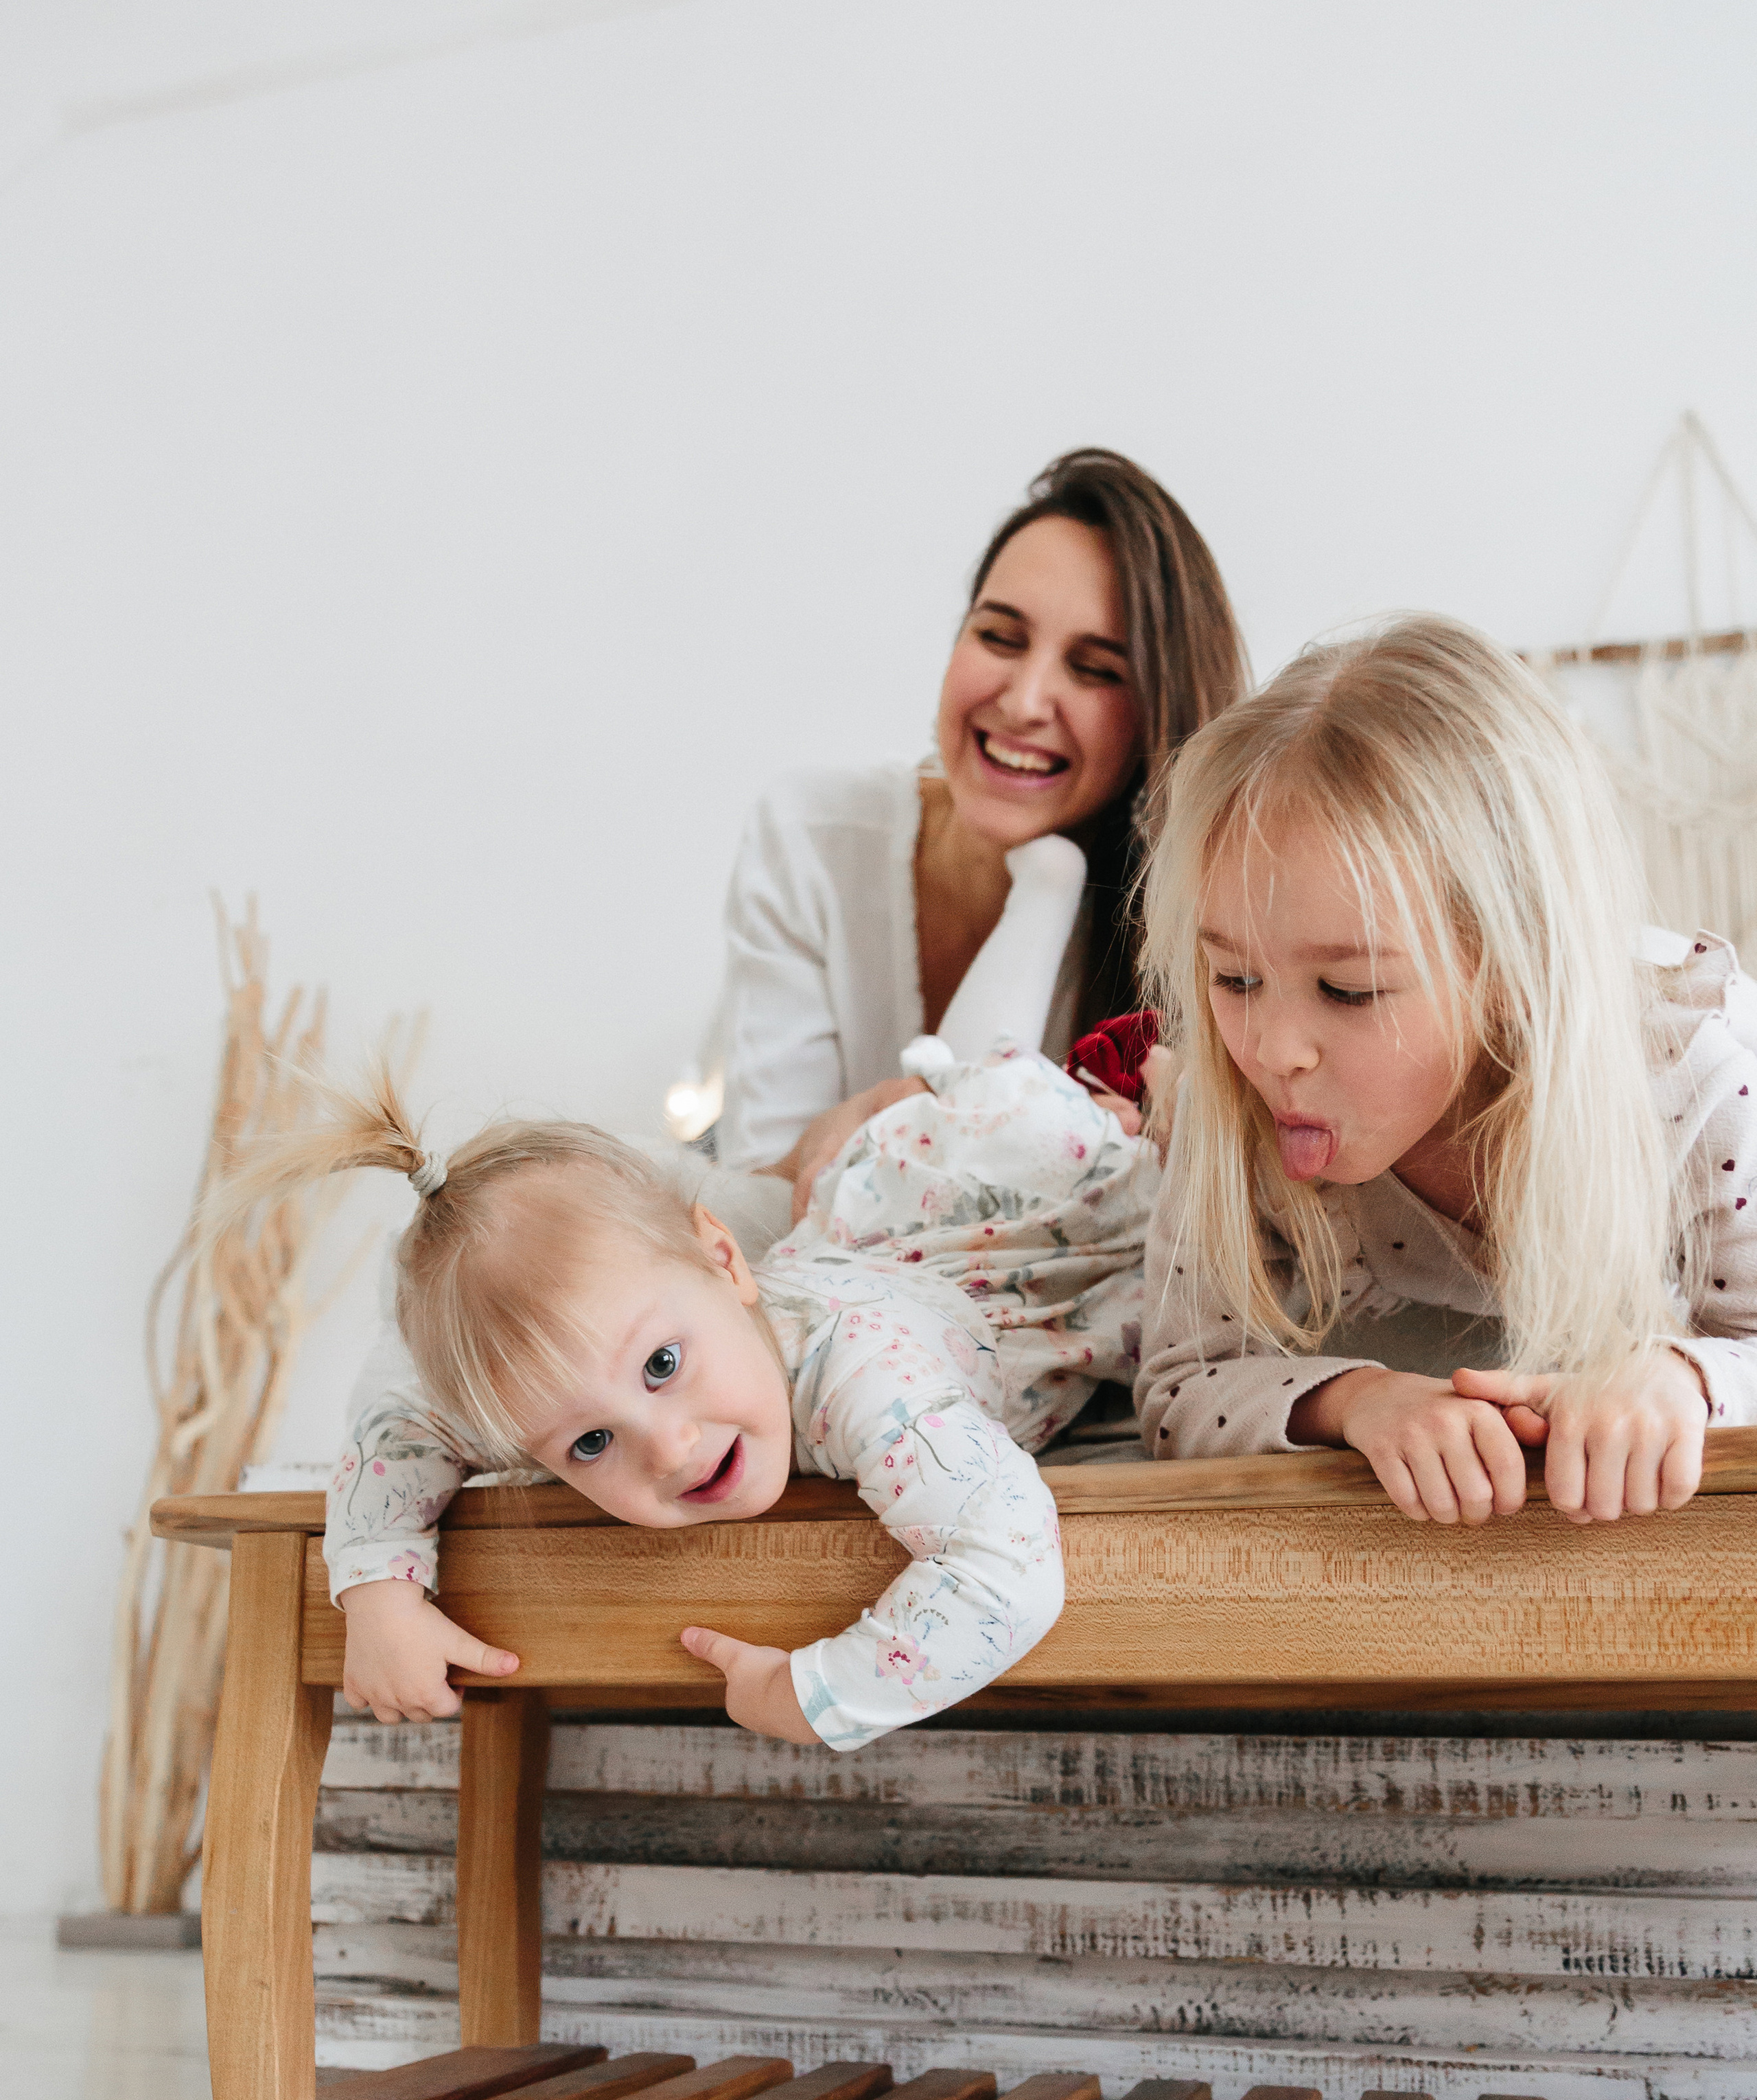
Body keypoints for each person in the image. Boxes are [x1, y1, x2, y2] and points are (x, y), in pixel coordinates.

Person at [235, 1041, 1157, 1749]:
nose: (669, 1449)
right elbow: (406, 1418)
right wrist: (378, 1590)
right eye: (589, 1445)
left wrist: (819, 1693)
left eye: (663, 1366)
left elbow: (1009, 1562)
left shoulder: (873, 1380)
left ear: (725, 1258)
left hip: (1028, 1221)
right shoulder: (579, 1367)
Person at [1133, 613, 1757, 1525]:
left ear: (1511, 972)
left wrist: (1678, 1375)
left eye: (1347, 990)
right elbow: (1180, 1383)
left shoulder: (1690, 1073)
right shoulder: (1237, 1087)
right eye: (1234, 975)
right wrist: (1359, 1401)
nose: (1274, 1048)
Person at [712, 448, 1247, 1205]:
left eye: (1095, 669)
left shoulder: (1189, 920)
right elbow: (750, 1202)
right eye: (999, 636)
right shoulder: (811, 836)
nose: (1026, 700)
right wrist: (841, 1139)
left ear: (1154, 720)